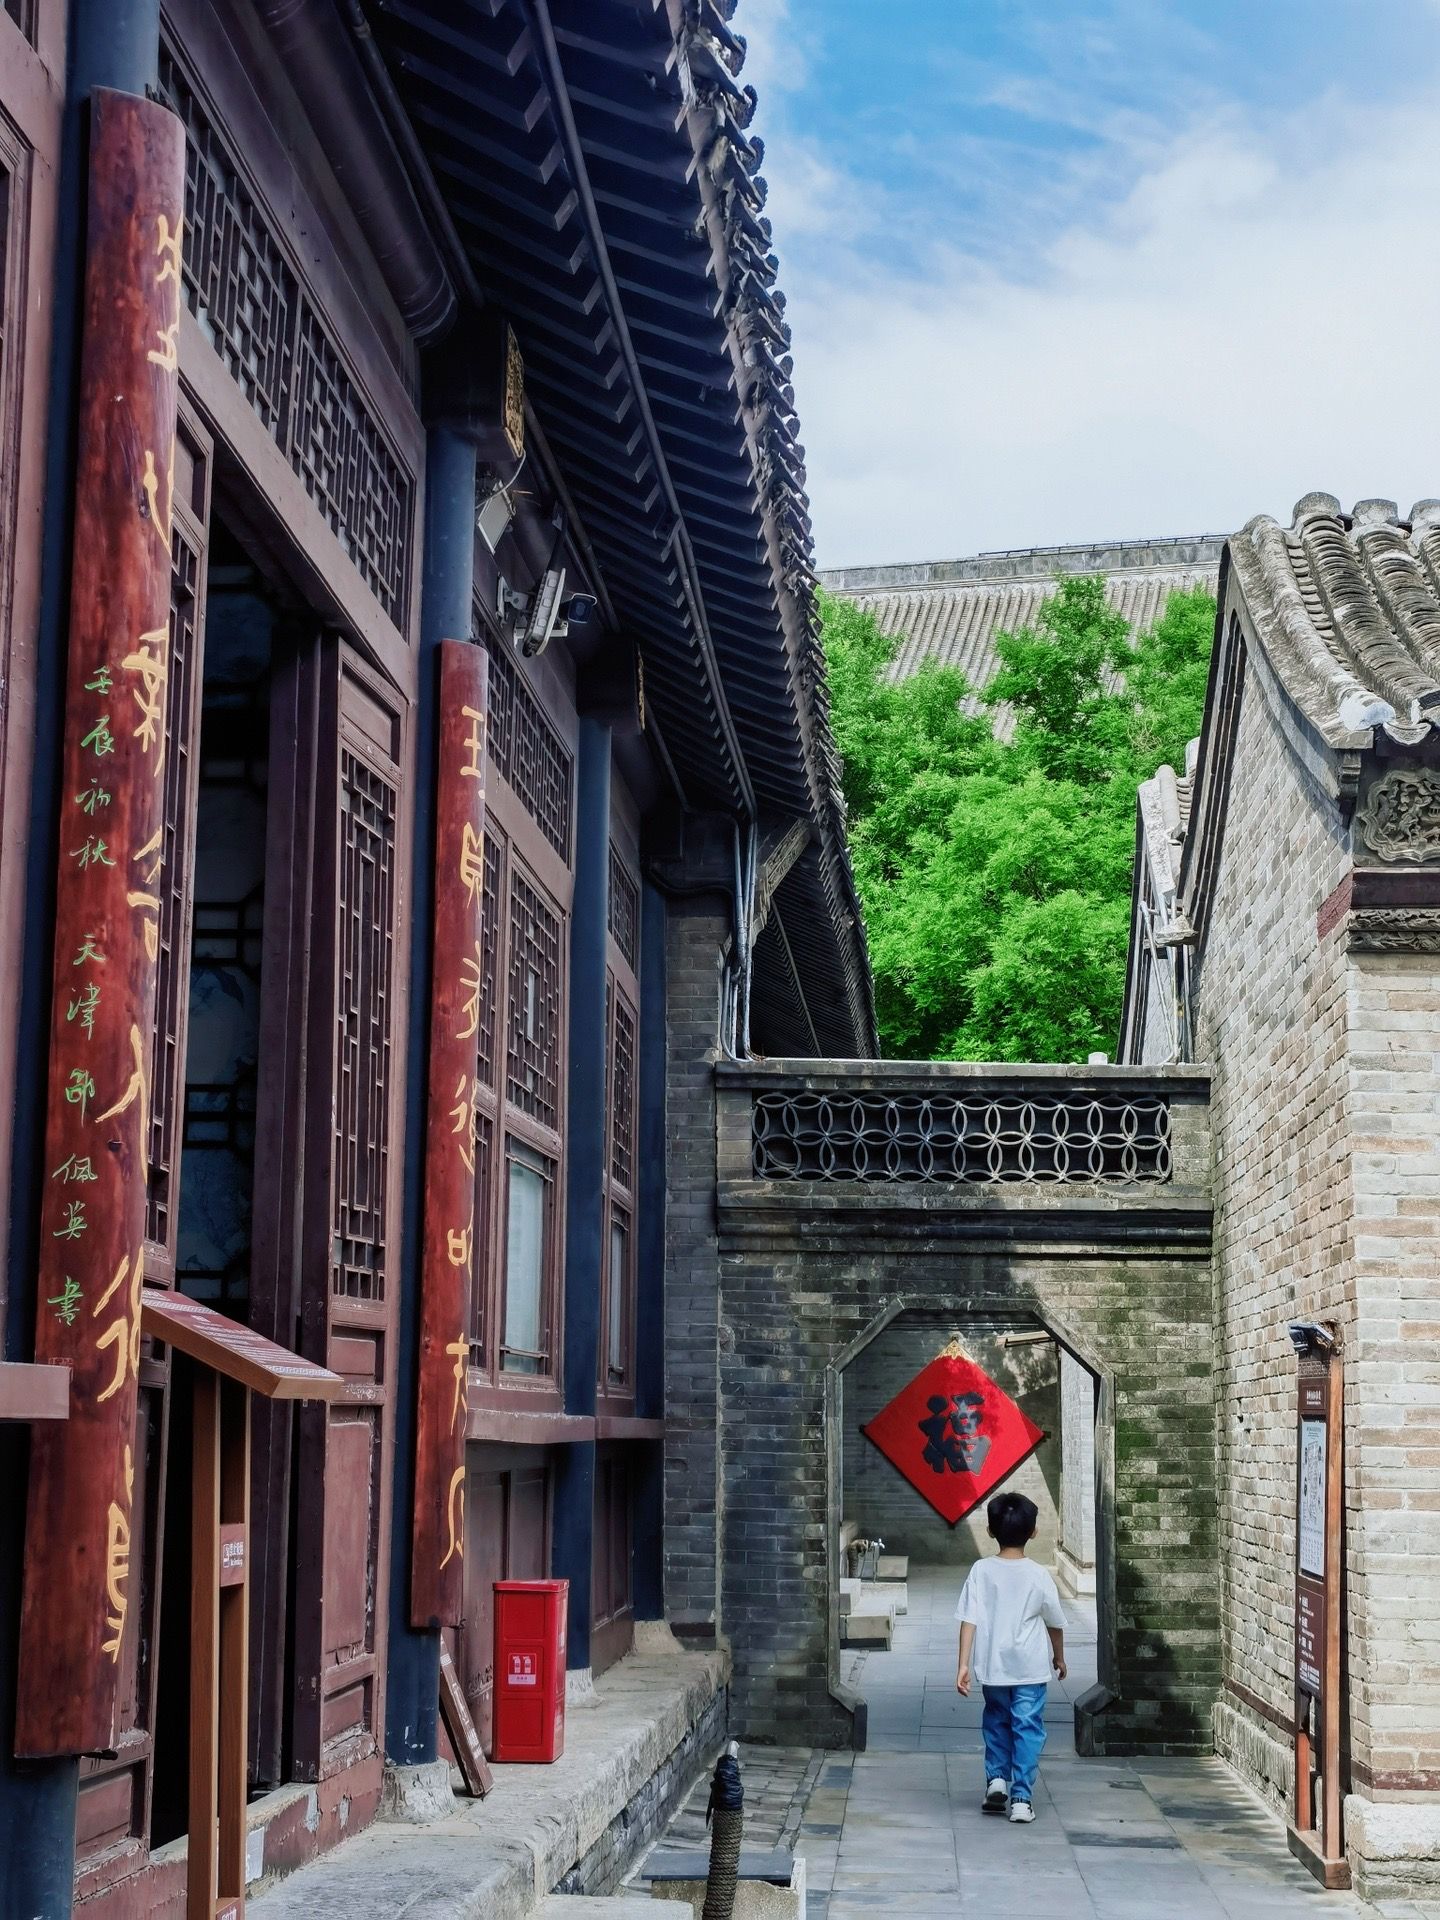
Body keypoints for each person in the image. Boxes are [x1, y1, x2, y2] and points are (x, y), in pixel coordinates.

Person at [955, 1490, 1067, 1824]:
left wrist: (963, 1664)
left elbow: (969, 1619)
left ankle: (996, 1780)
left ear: (990, 1531)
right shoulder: (1038, 1574)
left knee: (997, 1722)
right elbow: (1054, 1621)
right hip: (1030, 1668)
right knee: (1027, 1727)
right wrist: (1059, 1657)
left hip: (994, 1668)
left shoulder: (981, 1570)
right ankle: (1021, 1799)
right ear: (1033, 1531)